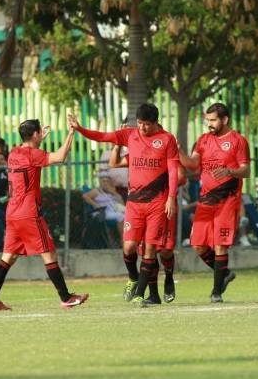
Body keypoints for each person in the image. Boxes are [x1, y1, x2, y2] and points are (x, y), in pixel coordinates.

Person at [70, 103, 179, 307]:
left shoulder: (167, 139)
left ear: (156, 122)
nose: (142, 128)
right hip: (135, 202)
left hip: (157, 202)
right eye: (139, 123)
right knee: (129, 247)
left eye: (146, 124)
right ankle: (133, 278)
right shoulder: (130, 135)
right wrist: (80, 129)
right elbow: (102, 137)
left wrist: (171, 197)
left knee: (151, 249)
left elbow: (173, 170)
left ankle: (140, 294)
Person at [0, 118, 88, 310]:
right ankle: (66, 298)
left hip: (12, 213)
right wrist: (71, 132)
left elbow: (30, 153)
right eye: (39, 132)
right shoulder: (33, 154)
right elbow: (60, 157)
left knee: (8, 257)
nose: (42, 133)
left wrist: (38, 140)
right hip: (29, 214)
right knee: (50, 254)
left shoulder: (14, 153)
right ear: (35, 134)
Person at [179, 103, 250, 303]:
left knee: (220, 245)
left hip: (228, 200)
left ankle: (216, 292)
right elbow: (193, 165)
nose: (209, 124)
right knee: (198, 245)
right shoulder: (203, 140)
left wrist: (230, 171)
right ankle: (225, 273)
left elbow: (246, 170)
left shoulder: (238, 141)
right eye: (207, 120)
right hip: (206, 200)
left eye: (213, 120)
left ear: (224, 119)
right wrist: (178, 151)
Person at [108, 142, 187, 302]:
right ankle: (153, 294)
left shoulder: (167, 150)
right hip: (140, 206)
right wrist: (117, 146)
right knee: (145, 248)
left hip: (164, 206)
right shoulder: (137, 153)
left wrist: (155, 181)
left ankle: (169, 278)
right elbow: (114, 163)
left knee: (165, 251)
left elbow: (181, 177)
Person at [82, 173, 125, 243]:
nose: (105, 183)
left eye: (107, 181)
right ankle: (122, 240)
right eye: (103, 181)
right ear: (100, 182)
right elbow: (85, 196)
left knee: (130, 216)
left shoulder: (112, 190)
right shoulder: (96, 191)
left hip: (114, 210)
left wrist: (114, 193)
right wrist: (95, 204)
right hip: (102, 212)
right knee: (121, 216)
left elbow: (122, 204)